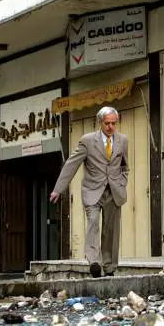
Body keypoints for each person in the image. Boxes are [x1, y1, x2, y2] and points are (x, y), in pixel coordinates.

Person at [50, 106, 129, 278]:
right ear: (101, 122)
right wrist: (58, 189)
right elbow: (72, 164)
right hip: (93, 190)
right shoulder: (87, 141)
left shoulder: (122, 140)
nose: (111, 127)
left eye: (114, 123)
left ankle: (109, 268)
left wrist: (123, 183)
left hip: (114, 192)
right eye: (107, 123)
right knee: (93, 222)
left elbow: (125, 167)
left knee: (111, 231)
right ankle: (94, 262)